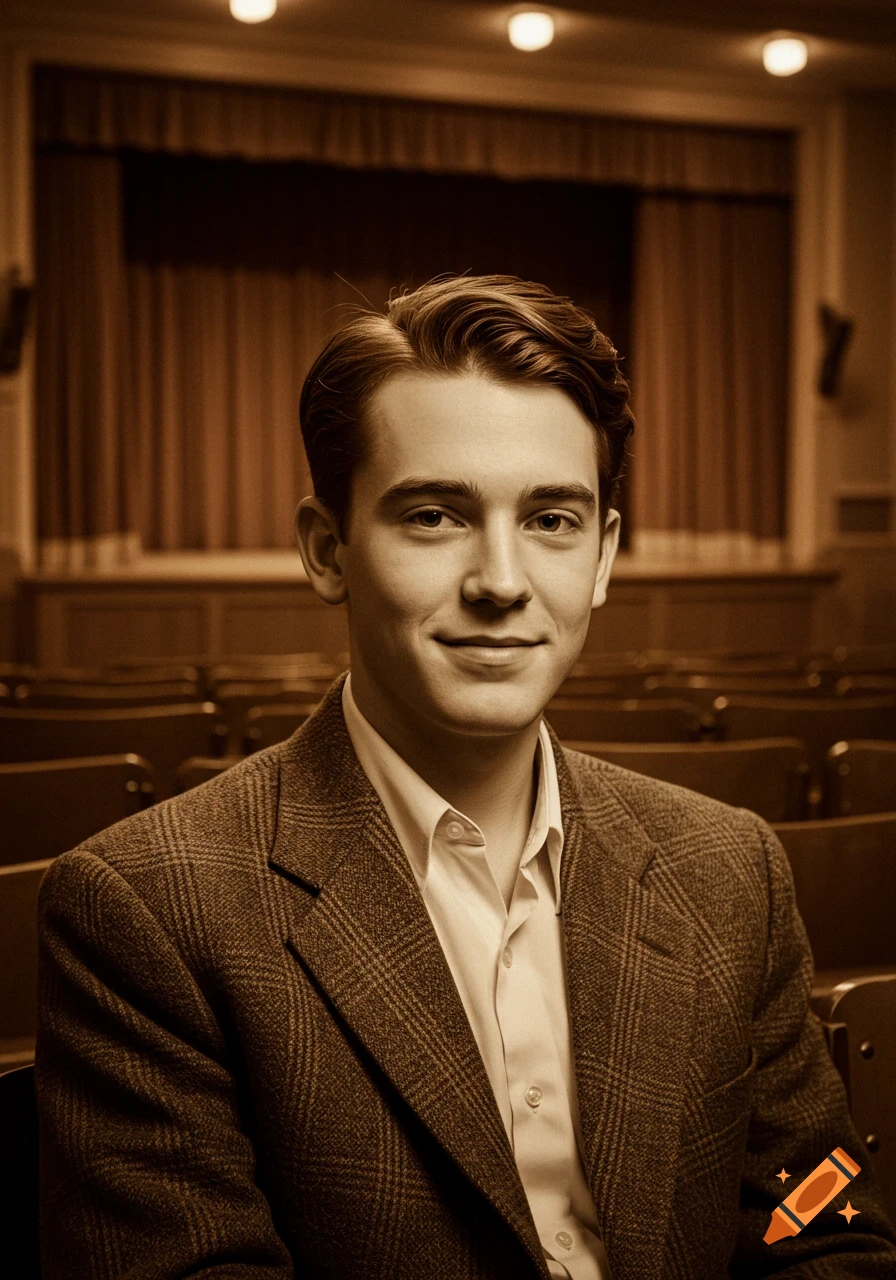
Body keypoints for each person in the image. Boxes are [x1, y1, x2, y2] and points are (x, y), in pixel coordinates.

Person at [36, 275, 896, 1279]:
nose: (499, 579)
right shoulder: (143, 907)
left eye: (551, 520)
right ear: (327, 550)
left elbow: (821, 1234)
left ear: (605, 556)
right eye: (436, 515)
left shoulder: (729, 868)